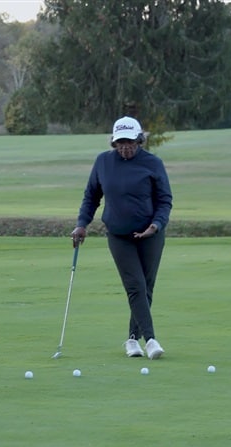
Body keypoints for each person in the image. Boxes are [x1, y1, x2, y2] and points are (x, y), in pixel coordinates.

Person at [71, 116, 173, 359]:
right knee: (135, 286)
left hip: (151, 235)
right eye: (120, 142)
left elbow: (164, 201)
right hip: (119, 235)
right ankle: (150, 341)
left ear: (139, 140)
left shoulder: (153, 163)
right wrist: (81, 224)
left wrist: (156, 226)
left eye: (130, 142)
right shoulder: (103, 163)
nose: (125, 147)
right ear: (114, 143)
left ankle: (131, 340)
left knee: (146, 288)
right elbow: (91, 197)